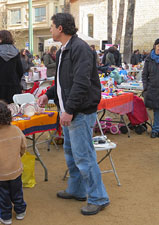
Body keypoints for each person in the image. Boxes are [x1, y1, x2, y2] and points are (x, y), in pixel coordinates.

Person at [38, 13, 109, 215]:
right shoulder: (64, 50)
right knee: (71, 154)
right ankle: (77, 190)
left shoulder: (80, 49)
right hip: (69, 110)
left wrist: (69, 110)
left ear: (60, 28)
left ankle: (99, 197)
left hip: (79, 111)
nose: (50, 30)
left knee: (84, 157)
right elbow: (62, 81)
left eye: (51, 26)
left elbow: (81, 83)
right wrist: (48, 95)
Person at [0, 30, 23, 104]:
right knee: (15, 109)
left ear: (1, 38)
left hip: (0, 84)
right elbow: (20, 70)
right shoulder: (16, 51)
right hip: (14, 84)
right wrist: (16, 79)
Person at [142, 38, 159, 138]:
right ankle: (158, 130)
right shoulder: (149, 59)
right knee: (157, 109)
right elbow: (144, 75)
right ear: (155, 46)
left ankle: (157, 130)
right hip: (153, 89)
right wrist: (146, 87)